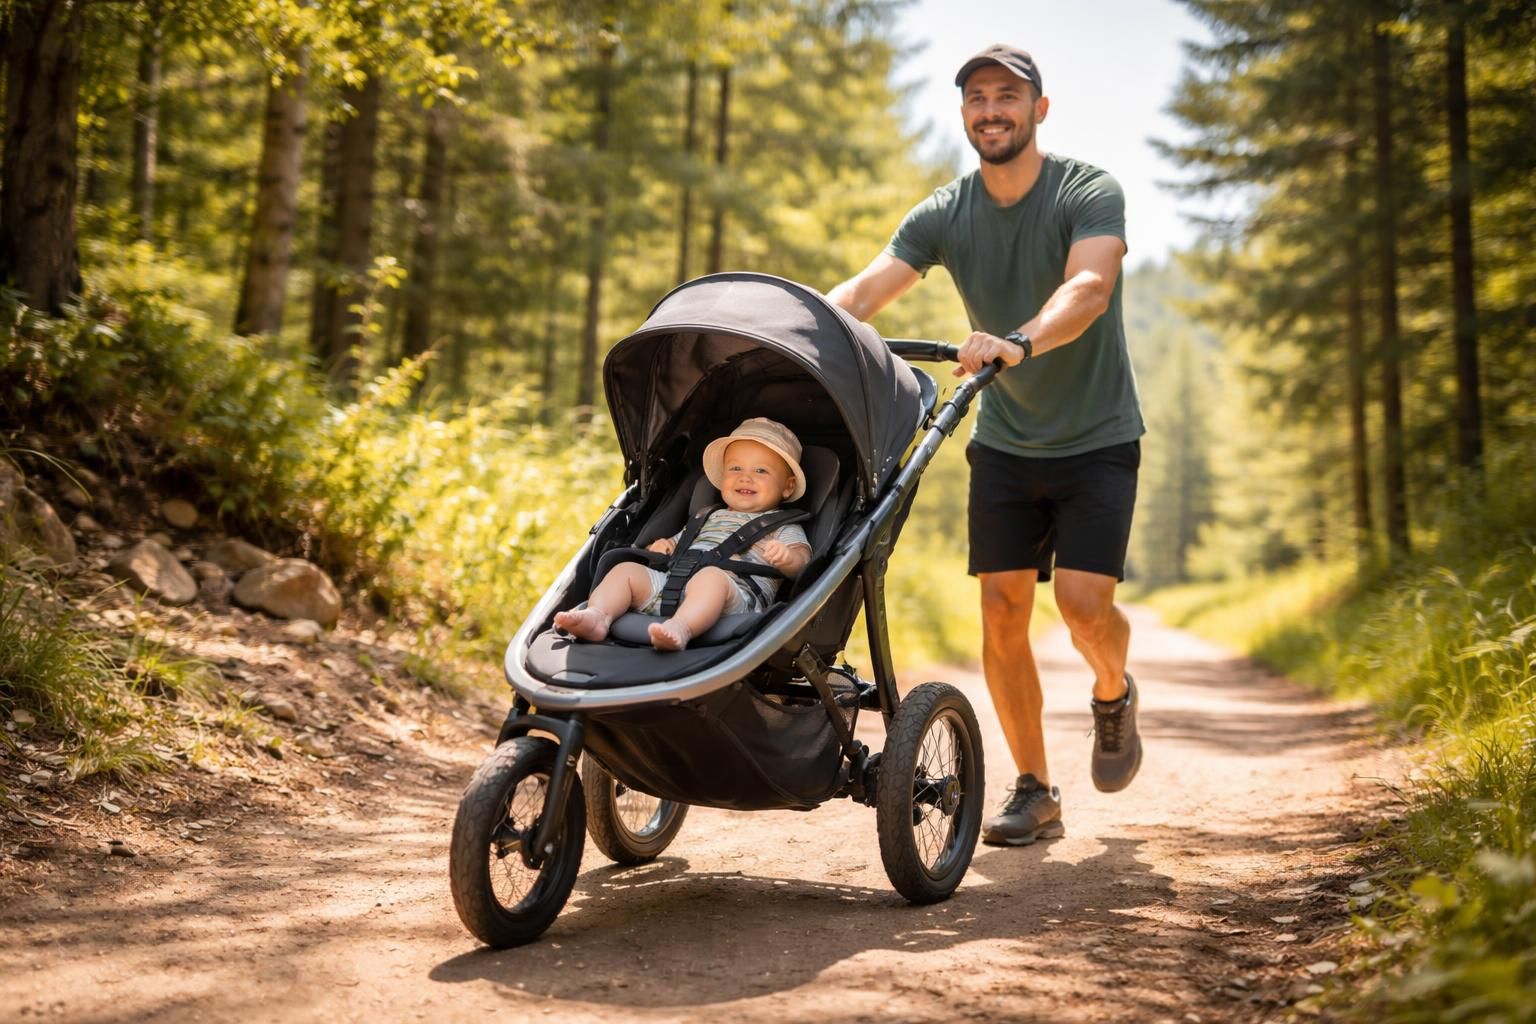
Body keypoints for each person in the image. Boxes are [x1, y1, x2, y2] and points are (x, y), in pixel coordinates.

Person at [827, 44, 1145, 847]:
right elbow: (863, 293)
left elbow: (1089, 289)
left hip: (1097, 437)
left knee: (1082, 606)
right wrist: (799, 331)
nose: (991, 109)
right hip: (1005, 442)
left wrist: (1019, 341)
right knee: (1003, 610)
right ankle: (1035, 789)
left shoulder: (1086, 190)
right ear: (965, 114)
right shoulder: (946, 211)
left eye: (1008, 95)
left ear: (1039, 109)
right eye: (976, 97)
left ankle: (1113, 692)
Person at [554, 417, 812, 652]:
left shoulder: (783, 526)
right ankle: (598, 616)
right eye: (735, 469)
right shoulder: (706, 516)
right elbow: (681, 543)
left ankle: (681, 628)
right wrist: (664, 546)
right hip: (672, 586)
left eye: (761, 471)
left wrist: (788, 558)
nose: (745, 478)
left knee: (711, 577)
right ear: (722, 478)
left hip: (735, 600)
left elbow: (804, 563)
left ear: (788, 486)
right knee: (626, 571)